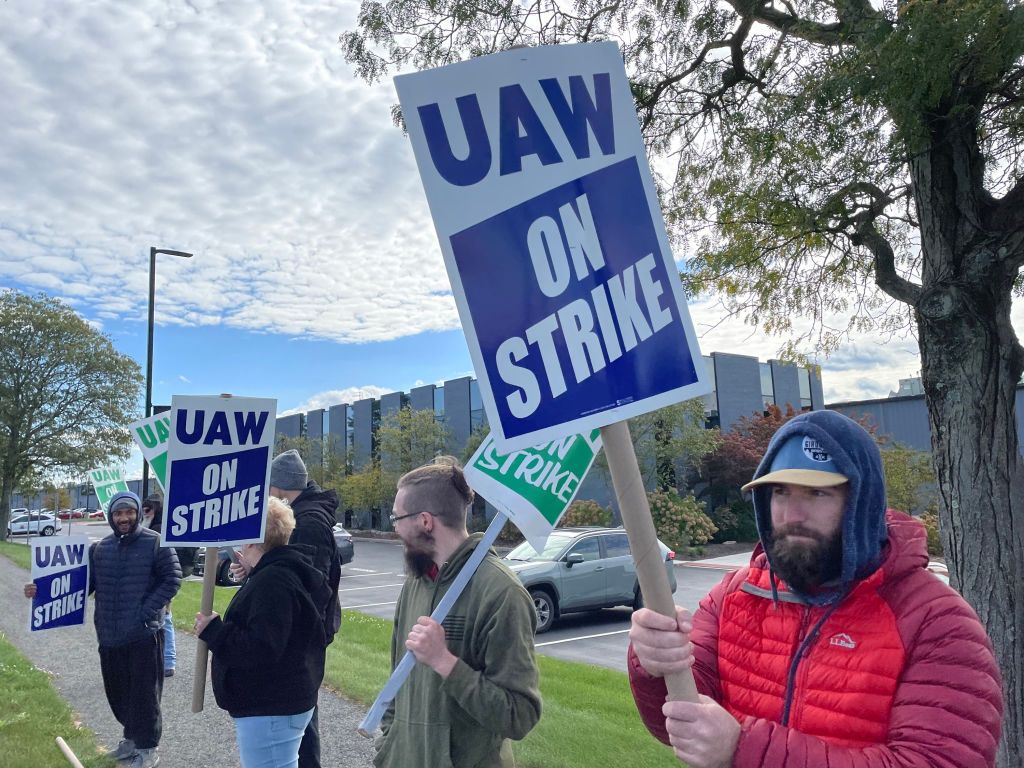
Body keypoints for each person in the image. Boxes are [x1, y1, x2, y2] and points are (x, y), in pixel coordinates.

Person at [627, 409, 1004, 768]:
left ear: (861, 503)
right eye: (780, 493)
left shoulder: (937, 624)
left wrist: (745, 749)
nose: (792, 515)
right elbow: (682, 724)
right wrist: (654, 662)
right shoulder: (735, 597)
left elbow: (939, 760)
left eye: (817, 494)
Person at [374, 458, 541, 768]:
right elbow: (396, 678)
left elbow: (519, 716)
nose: (394, 528)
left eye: (397, 518)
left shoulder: (502, 593)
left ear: (425, 521)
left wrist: (444, 661)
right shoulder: (416, 581)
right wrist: (389, 744)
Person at [26, 491, 181, 767]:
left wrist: (146, 612)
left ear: (137, 513)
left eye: (129, 512)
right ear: (111, 516)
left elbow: (173, 579)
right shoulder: (100, 548)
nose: (124, 518)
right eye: (118, 514)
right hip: (109, 636)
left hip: (143, 635)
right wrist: (41, 593)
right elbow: (82, 586)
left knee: (144, 696)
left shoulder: (156, 543)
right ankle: (131, 741)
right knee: (118, 694)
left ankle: (147, 751)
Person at [196, 496, 330, 768]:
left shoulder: (274, 581)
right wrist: (254, 572)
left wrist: (215, 632)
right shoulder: (279, 572)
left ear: (252, 539)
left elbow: (261, 648)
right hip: (279, 703)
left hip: (271, 707)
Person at [243, 449, 342, 768]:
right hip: (297, 632)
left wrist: (261, 568)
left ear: (280, 488)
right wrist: (251, 569)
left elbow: (309, 585)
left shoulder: (309, 521)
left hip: (300, 636)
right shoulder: (303, 514)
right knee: (297, 715)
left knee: (300, 718)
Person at [141, 493, 196, 678]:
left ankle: (168, 661)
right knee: (166, 617)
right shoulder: (170, 523)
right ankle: (168, 661)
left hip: (162, 578)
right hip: (173, 574)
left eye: (147, 509)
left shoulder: (156, 528)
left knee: (165, 618)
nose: (143, 512)